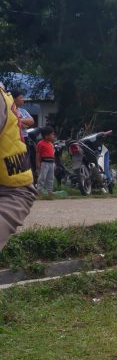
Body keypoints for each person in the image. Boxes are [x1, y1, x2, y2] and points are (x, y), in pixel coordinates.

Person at [0, 84, 36, 250]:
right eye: (21, 97)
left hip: (11, 186)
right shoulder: (7, 100)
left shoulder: (8, 103)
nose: (24, 99)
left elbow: (31, 121)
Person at [35, 126, 57, 195]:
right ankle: (39, 190)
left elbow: (53, 154)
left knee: (51, 178)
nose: (54, 136)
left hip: (51, 163)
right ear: (46, 136)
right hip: (44, 163)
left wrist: (54, 163)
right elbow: (38, 154)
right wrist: (38, 163)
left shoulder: (51, 144)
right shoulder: (40, 143)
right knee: (42, 177)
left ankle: (50, 191)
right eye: (52, 134)